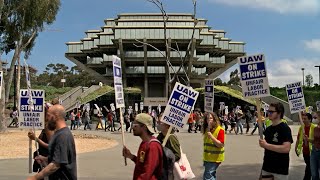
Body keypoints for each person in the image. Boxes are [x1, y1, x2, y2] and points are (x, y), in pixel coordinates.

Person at [27, 104, 77, 180]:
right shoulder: (59, 133)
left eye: (48, 115)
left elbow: (55, 165)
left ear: (55, 116)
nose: (47, 118)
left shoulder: (63, 135)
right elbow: (59, 157)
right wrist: (45, 159)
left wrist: (34, 177)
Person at [122, 113, 163, 180]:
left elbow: (146, 174)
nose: (132, 127)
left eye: (135, 125)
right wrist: (131, 156)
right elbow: (141, 164)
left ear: (144, 126)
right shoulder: (144, 143)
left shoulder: (153, 146)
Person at [259, 102, 293, 180]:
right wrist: (261, 173)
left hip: (280, 170)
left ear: (279, 113)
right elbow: (267, 152)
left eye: (271, 112)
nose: (269, 113)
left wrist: (266, 145)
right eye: (268, 111)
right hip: (267, 168)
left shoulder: (285, 128)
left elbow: (286, 148)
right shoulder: (268, 129)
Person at [28, 103, 54, 173]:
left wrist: (36, 139)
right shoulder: (46, 127)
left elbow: (50, 146)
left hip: (47, 161)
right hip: (43, 161)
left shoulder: (48, 127)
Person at [202, 112, 225, 180]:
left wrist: (212, 137)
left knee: (207, 177)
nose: (209, 120)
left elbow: (220, 145)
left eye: (211, 118)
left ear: (215, 120)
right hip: (207, 158)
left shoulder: (220, 130)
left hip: (215, 158)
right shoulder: (207, 130)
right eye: (207, 119)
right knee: (211, 176)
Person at [295, 112, 315, 180]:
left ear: (310, 119)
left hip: (313, 152)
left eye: (305, 119)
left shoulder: (314, 127)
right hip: (305, 152)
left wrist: (308, 139)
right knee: (309, 166)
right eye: (303, 118)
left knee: (309, 167)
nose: (303, 120)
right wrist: (296, 148)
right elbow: (298, 139)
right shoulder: (301, 128)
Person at [309, 111, 320, 180]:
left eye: (315, 117)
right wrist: (308, 139)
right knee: (314, 174)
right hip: (314, 151)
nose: (314, 119)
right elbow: (314, 140)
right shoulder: (315, 128)